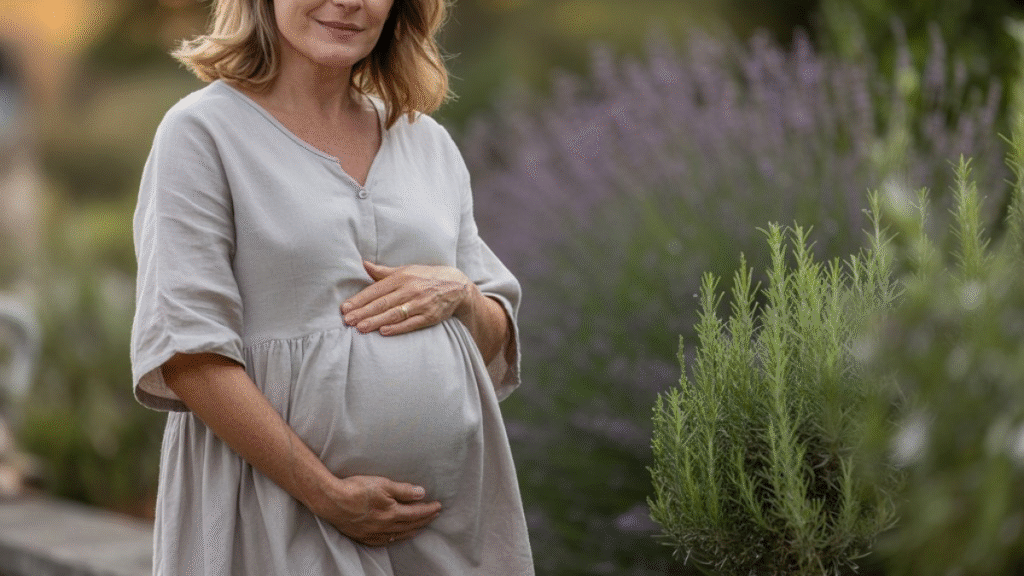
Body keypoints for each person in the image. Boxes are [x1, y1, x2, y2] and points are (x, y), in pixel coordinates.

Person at [129, 0, 534, 574]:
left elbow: (493, 342)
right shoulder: (202, 133)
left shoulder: (427, 142)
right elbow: (188, 352)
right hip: (277, 512)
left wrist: (461, 294)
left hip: (448, 526)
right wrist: (327, 494)